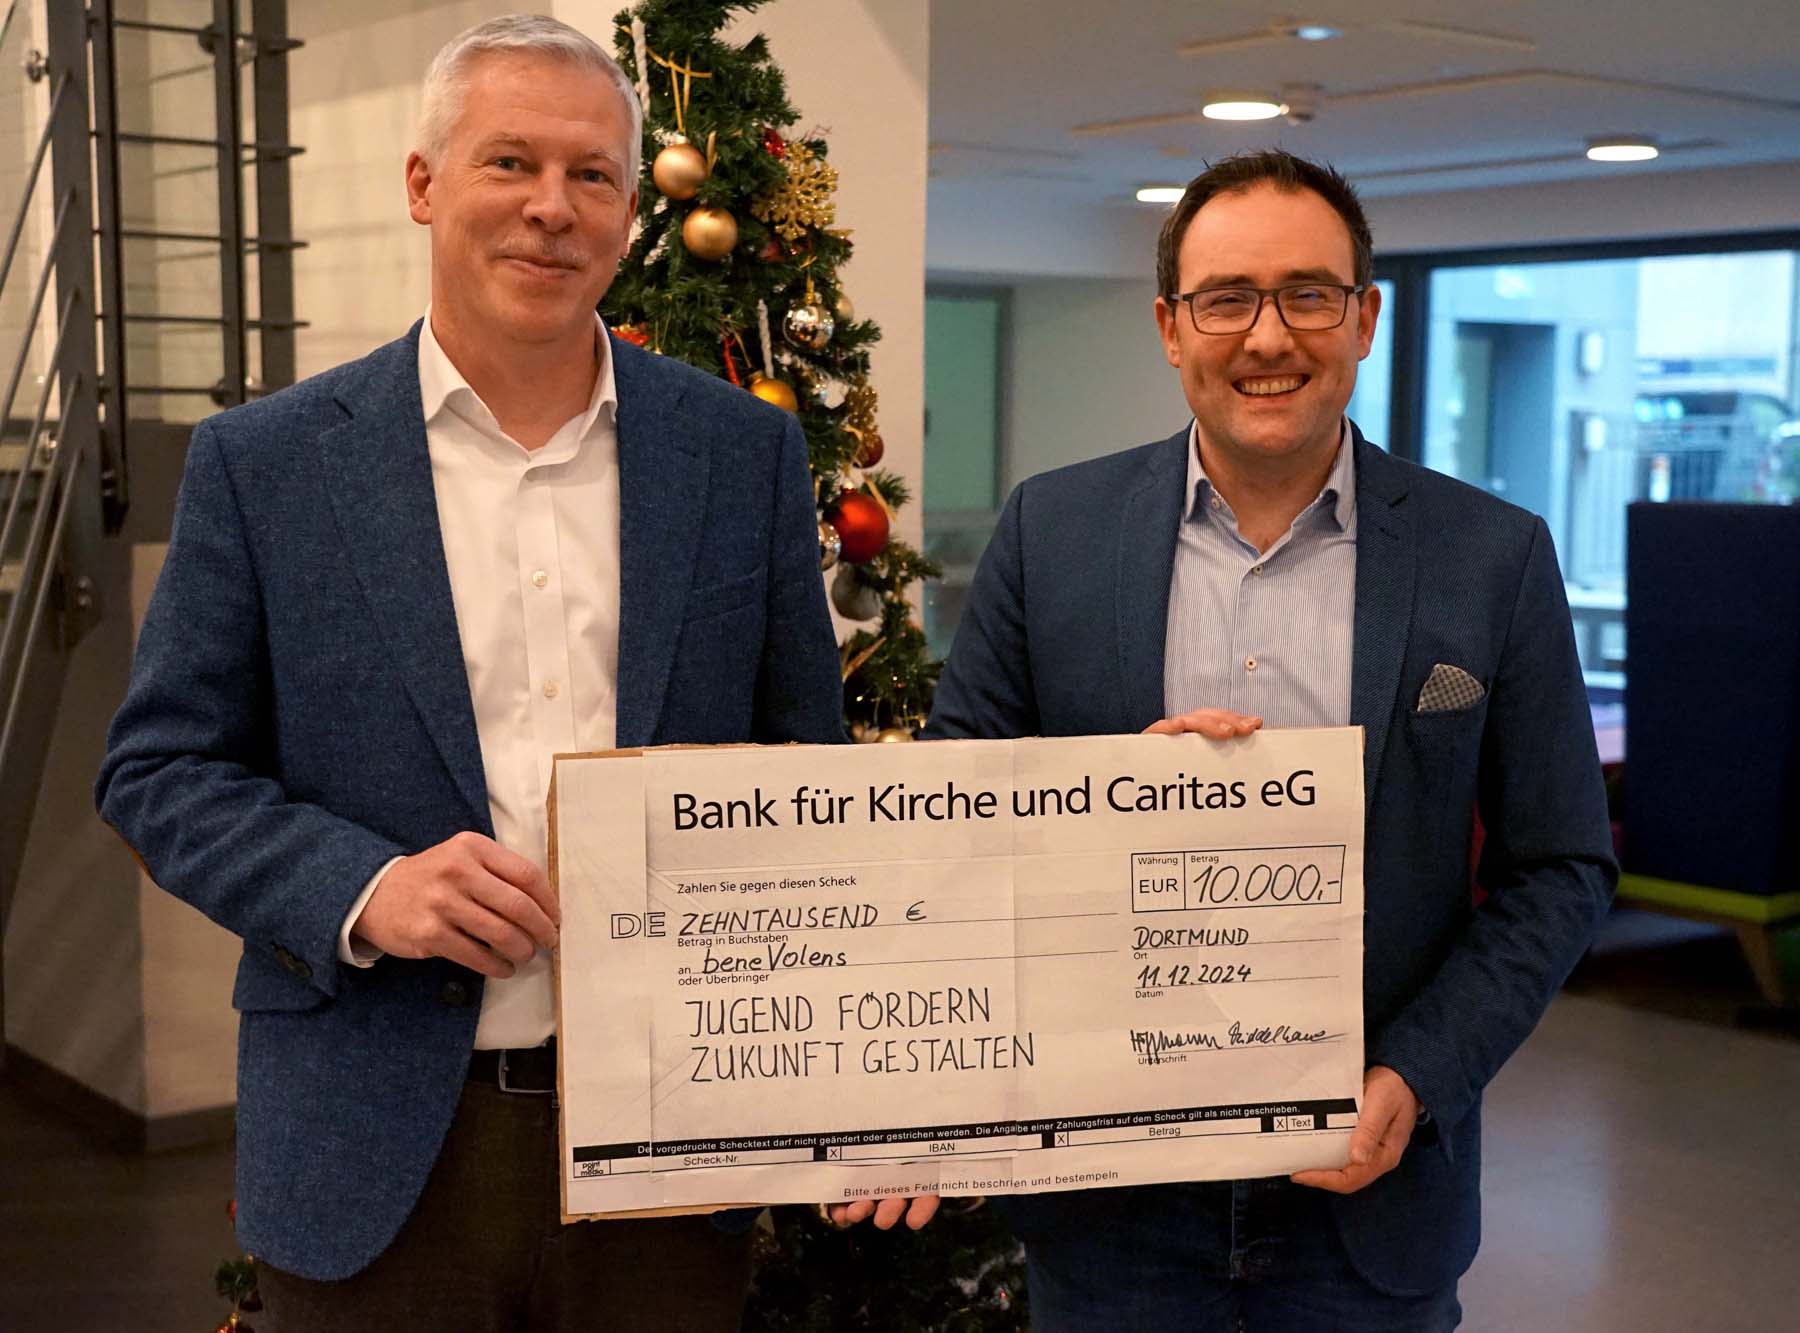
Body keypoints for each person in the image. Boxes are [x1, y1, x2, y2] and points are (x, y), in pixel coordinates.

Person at [95, 15, 841, 1330]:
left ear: (631, 213)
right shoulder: (267, 466)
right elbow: (158, 775)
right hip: (374, 1150)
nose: (552, 207)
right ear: (424, 184)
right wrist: (366, 887)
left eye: (592, 174)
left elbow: (808, 783)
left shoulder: (740, 457)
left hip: (671, 1149)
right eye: (510, 163)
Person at [922, 150, 1617, 1330]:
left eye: (1308, 295)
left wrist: (1420, 1072)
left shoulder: (1492, 556)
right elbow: (957, 811)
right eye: (1227, 299)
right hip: (1112, 1200)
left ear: (1365, 319)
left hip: (1368, 1198)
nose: (1267, 336)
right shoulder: (1053, 530)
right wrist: (1102, 802)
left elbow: (1561, 866)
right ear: (1170, 327)